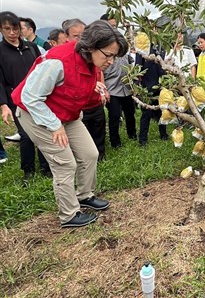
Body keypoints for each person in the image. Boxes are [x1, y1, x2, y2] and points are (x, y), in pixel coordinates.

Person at [11, 20, 128, 228]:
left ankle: (84, 195)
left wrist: (96, 93)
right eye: (108, 55)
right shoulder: (58, 61)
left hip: (66, 114)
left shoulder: (90, 62)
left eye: (114, 56)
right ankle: (69, 214)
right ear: (91, 46)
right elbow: (31, 97)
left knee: (90, 154)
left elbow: (77, 90)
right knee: (65, 163)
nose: (110, 61)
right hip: (37, 114)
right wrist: (55, 126)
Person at [0, 11, 51, 182]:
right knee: (27, 134)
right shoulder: (0, 51)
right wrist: (3, 104)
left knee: (44, 130)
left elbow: (42, 69)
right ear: (1, 29)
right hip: (16, 99)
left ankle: (46, 167)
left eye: (15, 29)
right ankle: (28, 171)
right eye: (7, 29)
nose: (12, 33)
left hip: (38, 97)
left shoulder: (31, 47)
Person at [63, 18, 106, 161]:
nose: (80, 39)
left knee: (98, 128)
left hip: (95, 101)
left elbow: (99, 73)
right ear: (67, 37)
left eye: (83, 35)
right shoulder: (66, 57)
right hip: (79, 106)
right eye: (76, 36)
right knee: (82, 134)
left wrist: (102, 89)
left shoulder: (91, 53)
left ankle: (100, 155)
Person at [101, 13, 137, 148]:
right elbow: (99, 70)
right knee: (115, 115)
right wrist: (104, 89)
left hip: (126, 86)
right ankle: (115, 142)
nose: (114, 29)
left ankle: (132, 135)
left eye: (115, 26)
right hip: (112, 87)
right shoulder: (101, 45)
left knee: (130, 113)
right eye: (111, 26)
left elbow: (130, 58)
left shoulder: (121, 41)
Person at [136, 41, 168, 146]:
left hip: (160, 87)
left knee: (161, 111)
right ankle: (142, 139)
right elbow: (138, 68)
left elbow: (163, 68)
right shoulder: (142, 49)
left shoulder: (161, 48)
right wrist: (137, 86)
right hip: (147, 88)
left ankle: (163, 134)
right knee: (146, 114)